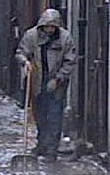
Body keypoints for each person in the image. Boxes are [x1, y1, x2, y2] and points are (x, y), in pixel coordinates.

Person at [15, 8, 77, 162]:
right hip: (37, 80)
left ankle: (51, 150)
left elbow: (70, 61)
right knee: (40, 114)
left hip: (57, 82)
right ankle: (41, 144)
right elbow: (20, 52)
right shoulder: (31, 36)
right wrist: (25, 62)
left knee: (55, 115)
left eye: (52, 27)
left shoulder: (65, 38)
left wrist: (58, 79)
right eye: (47, 27)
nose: (49, 30)